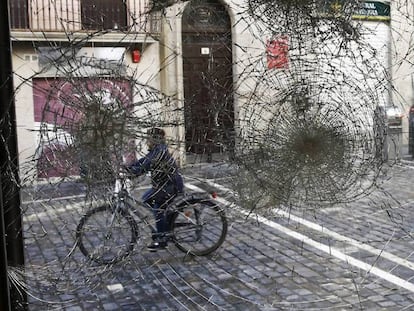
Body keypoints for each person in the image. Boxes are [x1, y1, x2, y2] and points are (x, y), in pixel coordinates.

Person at [124, 128, 184, 251]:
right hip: (162, 185)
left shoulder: (159, 152)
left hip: (169, 185)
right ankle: (166, 222)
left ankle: (162, 238)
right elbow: (143, 161)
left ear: (155, 139)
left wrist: (133, 172)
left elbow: (146, 165)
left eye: (149, 139)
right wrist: (128, 168)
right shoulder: (156, 150)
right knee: (149, 201)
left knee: (155, 206)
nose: (147, 141)